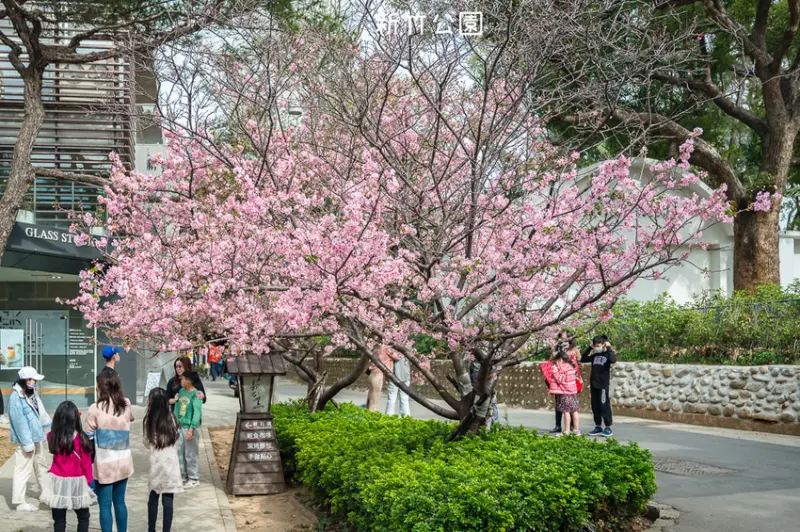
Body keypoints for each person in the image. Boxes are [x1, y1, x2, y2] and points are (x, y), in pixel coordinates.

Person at [85, 370, 134, 532]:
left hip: (104, 464)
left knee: (105, 504)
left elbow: (87, 435)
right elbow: (130, 419)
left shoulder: (95, 408)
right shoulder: (126, 404)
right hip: (124, 461)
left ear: (100, 387)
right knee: (120, 501)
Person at [40, 401, 97, 532]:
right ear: (76, 418)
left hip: (57, 482)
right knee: (83, 517)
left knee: (59, 520)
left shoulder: (52, 437)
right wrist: (88, 483)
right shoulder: (82, 439)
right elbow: (86, 464)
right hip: (77, 482)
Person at [8, 366, 51, 512]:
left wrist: (46, 431)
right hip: (26, 441)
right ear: (24, 380)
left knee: (41, 466)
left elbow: (41, 413)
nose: (35, 382)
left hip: (37, 437)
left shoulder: (31, 393)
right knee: (22, 470)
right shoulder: (16, 397)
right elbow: (19, 422)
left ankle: (47, 494)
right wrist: (27, 443)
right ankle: (19, 502)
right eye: (32, 379)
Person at [143, 387, 184, 532]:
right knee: (168, 501)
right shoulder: (172, 418)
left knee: (153, 500)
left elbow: (147, 443)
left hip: (157, 466)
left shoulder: (149, 420)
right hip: (171, 466)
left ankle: (151, 529)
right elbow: (177, 439)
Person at [581, 335, 616, 437]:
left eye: (598, 345)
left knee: (604, 406)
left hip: (603, 386)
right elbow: (583, 358)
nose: (597, 347)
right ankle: (598, 426)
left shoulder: (608, 355)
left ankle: (608, 427)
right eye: (595, 345)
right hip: (594, 385)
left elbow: (613, 360)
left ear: (604, 344)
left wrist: (608, 348)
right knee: (595, 406)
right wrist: (590, 348)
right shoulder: (595, 356)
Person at [174, 371, 203, 488]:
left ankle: (193, 478)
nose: (181, 380)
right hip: (180, 427)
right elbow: (176, 409)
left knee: (191, 454)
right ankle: (183, 476)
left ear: (188, 381)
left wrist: (192, 429)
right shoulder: (181, 392)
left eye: (183, 379)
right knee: (180, 452)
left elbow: (197, 413)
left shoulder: (196, 395)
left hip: (190, 427)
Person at [549, 349, 580, 436]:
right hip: (573, 392)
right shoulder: (571, 366)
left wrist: (555, 371)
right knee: (574, 411)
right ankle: (576, 430)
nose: (556, 363)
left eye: (557, 361)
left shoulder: (563, 368)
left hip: (565, 393)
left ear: (560, 359)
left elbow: (560, 380)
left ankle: (566, 431)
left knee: (566, 412)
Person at [366, 345, 393, 411]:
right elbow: (397, 356)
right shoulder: (386, 348)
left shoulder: (375, 347)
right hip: (378, 375)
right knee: (375, 398)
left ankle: (367, 410)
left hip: (372, 373)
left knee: (370, 395)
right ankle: (371, 413)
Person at [384, 349, 411, 417]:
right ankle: (405, 418)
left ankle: (389, 418)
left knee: (392, 399)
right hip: (405, 375)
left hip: (394, 376)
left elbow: (395, 356)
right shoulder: (407, 347)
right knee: (404, 399)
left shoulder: (391, 348)